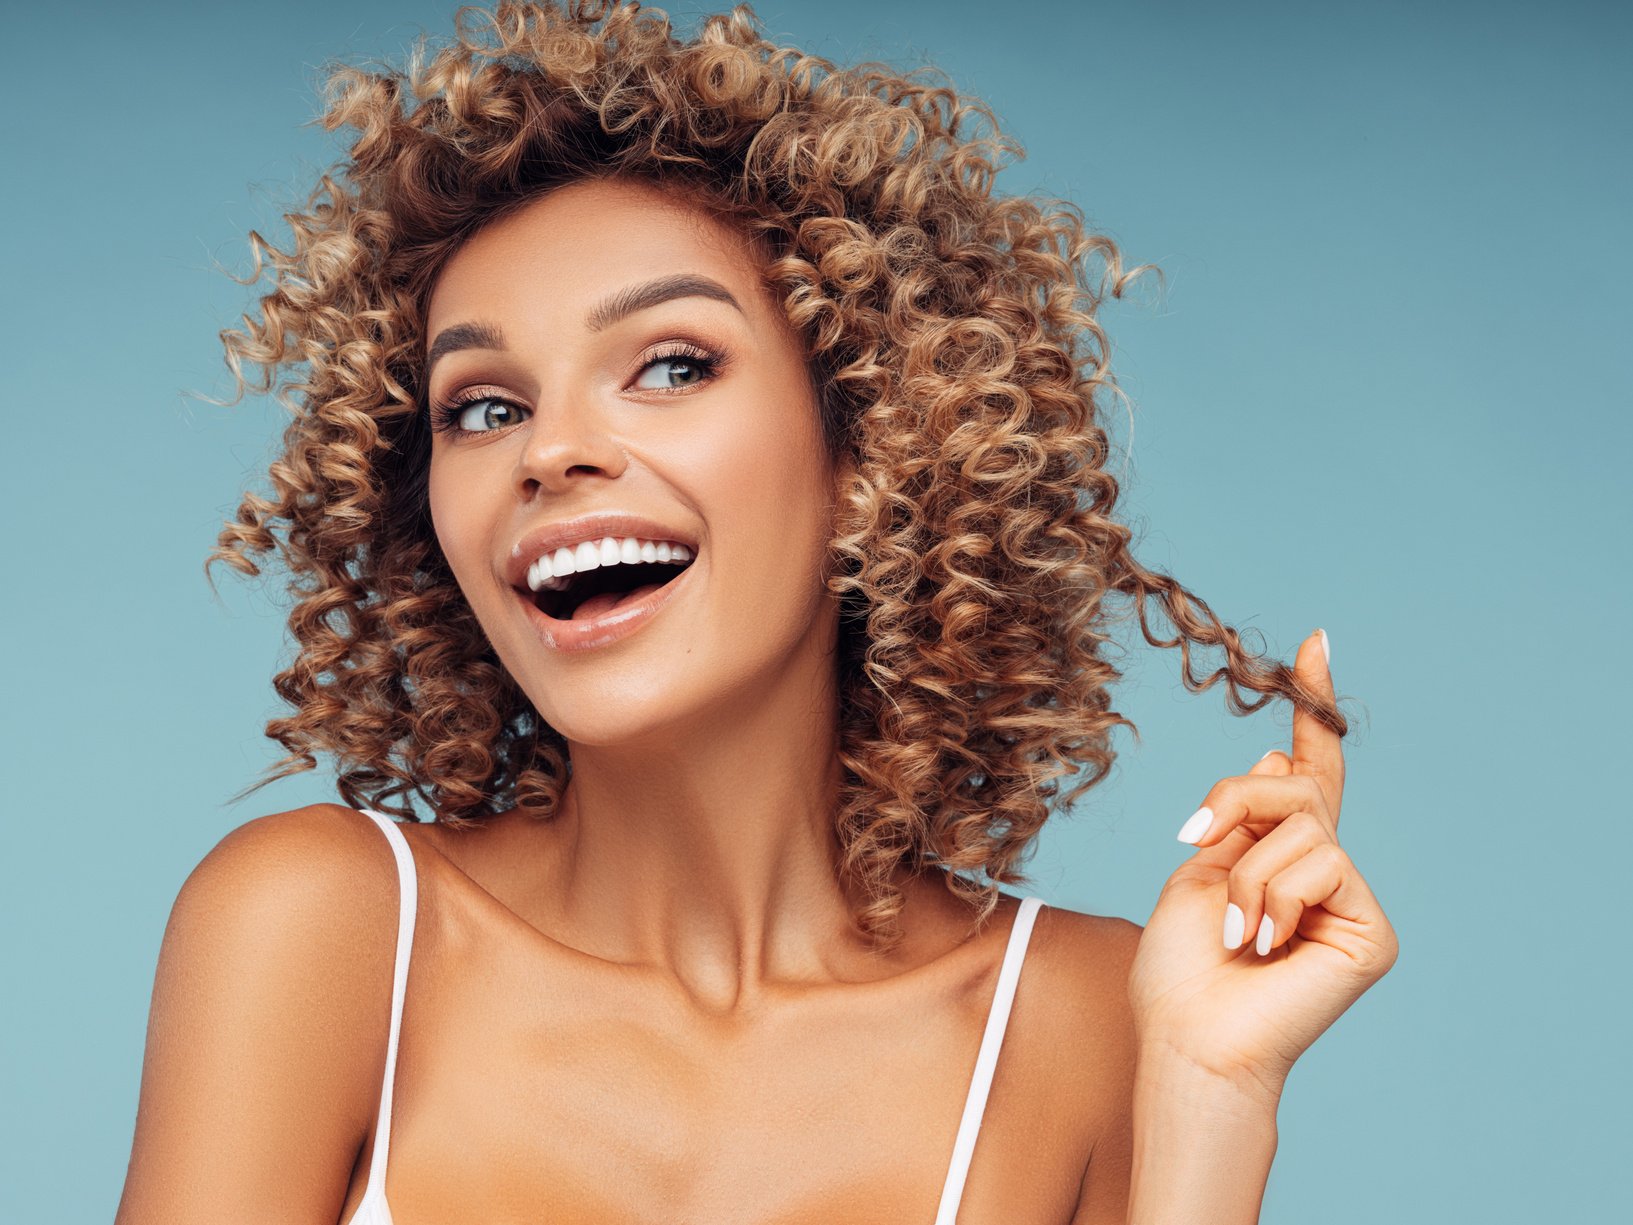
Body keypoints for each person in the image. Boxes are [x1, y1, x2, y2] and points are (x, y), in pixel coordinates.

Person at [115, 2, 1398, 1221]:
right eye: (483, 407)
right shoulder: (325, 927)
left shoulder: (1080, 1016)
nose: (549, 450)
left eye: (671, 366)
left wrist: (1210, 1098)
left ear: (869, 462)